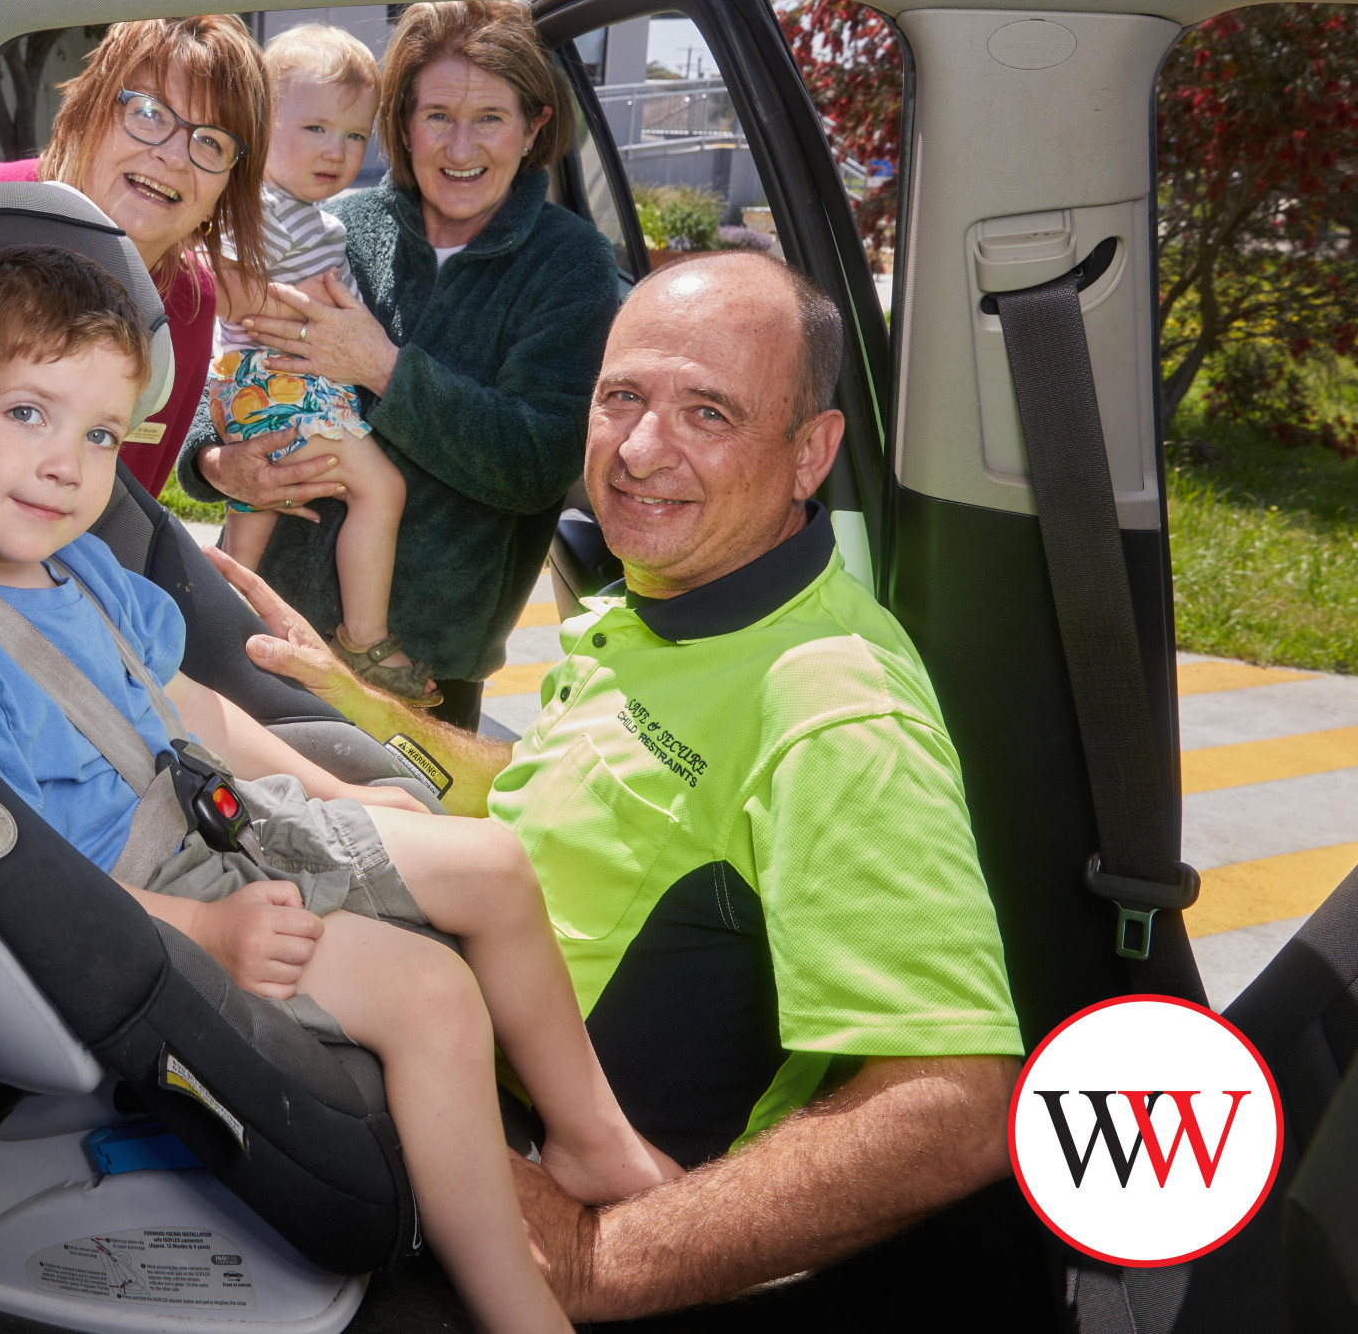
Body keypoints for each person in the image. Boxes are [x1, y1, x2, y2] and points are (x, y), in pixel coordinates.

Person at [207, 249, 1026, 1318]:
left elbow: (955, 1106)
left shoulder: (831, 707)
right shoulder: (667, 598)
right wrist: (354, 696)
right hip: (444, 1066)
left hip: (529, 1174)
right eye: (621, 398)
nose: (640, 453)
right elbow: (556, 792)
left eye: (709, 415)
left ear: (808, 452)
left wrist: (608, 1259)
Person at [0, 246, 677, 1334]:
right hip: (138, 901)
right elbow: (15, 877)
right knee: (431, 995)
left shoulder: (77, 565)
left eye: (101, 435)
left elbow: (176, 706)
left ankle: (588, 1136)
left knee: (490, 859)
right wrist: (202, 932)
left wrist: (338, 799)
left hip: (223, 822)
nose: (68, 466)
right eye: (26, 413)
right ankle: (519, 1308)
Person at [178, 0, 622, 731]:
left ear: (534, 125)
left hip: (421, 661)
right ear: (403, 122)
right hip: (270, 623)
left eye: (489, 118)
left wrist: (385, 368)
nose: (459, 145)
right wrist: (217, 460)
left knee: (401, 838)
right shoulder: (334, 223)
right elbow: (225, 351)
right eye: (436, 114)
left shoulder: (568, 262)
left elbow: (539, 461)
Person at [0, 17, 267, 497]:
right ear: (87, 108)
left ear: (224, 192)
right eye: (150, 112)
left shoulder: (190, 305)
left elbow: (125, 510)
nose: (175, 156)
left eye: (211, 142)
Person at [206, 25, 436, 705]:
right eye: (315, 128)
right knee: (381, 490)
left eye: (355, 136)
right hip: (281, 383)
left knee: (253, 520)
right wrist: (299, 305)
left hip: (259, 390)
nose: (337, 152)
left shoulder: (305, 214)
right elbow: (225, 285)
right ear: (260, 123)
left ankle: (215, 628)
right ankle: (364, 639)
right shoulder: (260, 205)